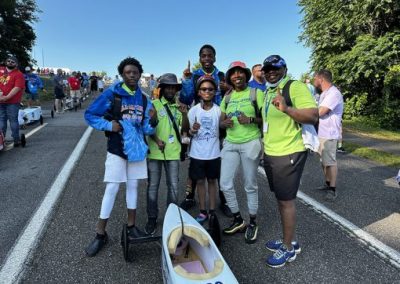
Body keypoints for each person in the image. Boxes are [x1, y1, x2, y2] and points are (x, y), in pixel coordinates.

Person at [84, 57, 157, 257]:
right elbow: (90, 115)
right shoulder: (112, 94)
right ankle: (100, 234)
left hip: (137, 151)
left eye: (135, 72)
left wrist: (153, 120)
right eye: (128, 72)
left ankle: (132, 225)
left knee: (133, 186)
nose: (132, 75)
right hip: (116, 148)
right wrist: (109, 126)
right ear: (122, 75)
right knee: (113, 187)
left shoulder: (143, 98)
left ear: (140, 75)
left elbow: (146, 129)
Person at [261, 55, 318, 268]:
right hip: (272, 152)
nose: (270, 71)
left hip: (289, 152)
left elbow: (313, 116)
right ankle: (289, 238)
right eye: (267, 68)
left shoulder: (293, 87)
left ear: (284, 69)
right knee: (280, 198)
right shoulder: (268, 91)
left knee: (286, 201)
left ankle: (287, 248)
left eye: (275, 68)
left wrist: (287, 109)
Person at [179, 44, 231, 217]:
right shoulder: (193, 76)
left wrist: (227, 90)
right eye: (203, 56)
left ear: (214, 58)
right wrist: (186, 81)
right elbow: (186, 98)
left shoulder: (222, 76)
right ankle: (190, 197)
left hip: (220, 122)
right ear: (200, 58)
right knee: (197, 162)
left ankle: (223, 201)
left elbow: (231, 98)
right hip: (199, 122)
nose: (207, 58)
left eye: (210, 56)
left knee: (217, 167)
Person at [219, 61, 264, 244]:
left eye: (240, 73)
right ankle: (238, 219)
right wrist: (224, 123)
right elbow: (221, 121)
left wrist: (251, 118)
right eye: (233, 73)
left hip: (250, 142)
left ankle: (252, 221)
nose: (237, 76)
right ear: (230, 77)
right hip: (230, 143)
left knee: (250, 184)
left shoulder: (256, 93)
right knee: (225, 183)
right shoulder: (227, 97)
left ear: (246, 75)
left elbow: (266, 119)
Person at [145, 73, 189, 235]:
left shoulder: (179, 107)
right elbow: (148, 127)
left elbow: (184, 130)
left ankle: (172, 219)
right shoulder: (153, 104)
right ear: (162, 89)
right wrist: (156, 140)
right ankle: (152, 218)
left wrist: (184, 114)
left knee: (173, 187)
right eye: (168, 87)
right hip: (155, 153)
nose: (171, 90)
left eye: (173, 87)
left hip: (173, 153)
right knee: (153, 187)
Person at [188, 75, 221, 224]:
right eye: (203, 89)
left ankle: (212, 211)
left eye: (210, 89)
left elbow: (222, 131)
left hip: (214, 154)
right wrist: (192, 131)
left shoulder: (219, 111)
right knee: (200, 182)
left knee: (212, 181)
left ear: (215, 92)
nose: (207, 91)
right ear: (199, 92)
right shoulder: (193, 111)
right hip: (197, 154)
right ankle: (203, 211)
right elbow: (187, 133)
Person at [313, 69, 344, 201]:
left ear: (321, 79)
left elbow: (321, 111)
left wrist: (303, 115)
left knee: (330, 161)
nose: (314, 81)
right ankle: (327, 183)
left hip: (329, 133)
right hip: (321, 132)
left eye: (315, 78)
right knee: (323, 160)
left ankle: (332, 188)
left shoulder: (334, 93)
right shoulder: (324, 93)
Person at [0, 55, 25, 146]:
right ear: (6, 62)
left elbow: (17, 88)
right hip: (0, 101)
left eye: (12, 61)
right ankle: (2, 140)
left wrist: (7, 97)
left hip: (12, 102)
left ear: (16, 64)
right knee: (1, 120)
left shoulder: (19, 74)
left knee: (13, 120)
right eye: (9, 60)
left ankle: (16, 139)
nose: (10, 62)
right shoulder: (1, 70)